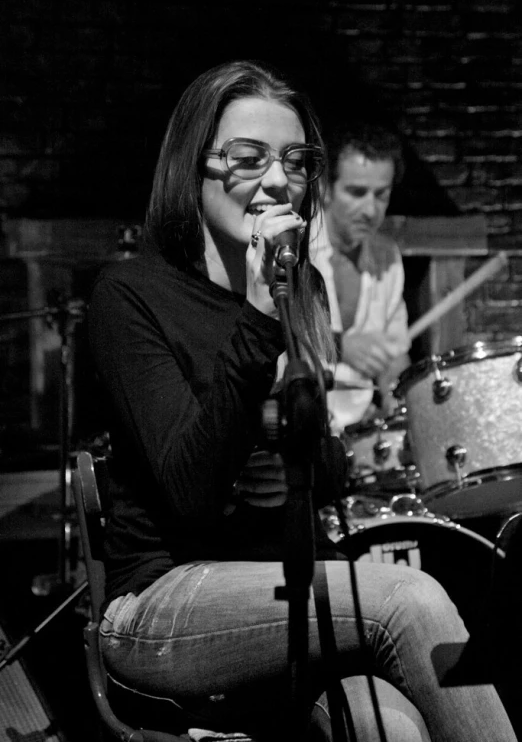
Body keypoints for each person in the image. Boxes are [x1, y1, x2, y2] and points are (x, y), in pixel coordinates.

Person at [88, 59, 516, 742]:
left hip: (280, 589)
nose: (278, 179)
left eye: (294, 159)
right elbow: (191, 492)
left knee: (393, 728)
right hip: (161, 600)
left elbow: (327, 481)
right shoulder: (130, 294)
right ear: (192, 167)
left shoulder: (298, 292)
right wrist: (261, 326)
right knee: (410, 597)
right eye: (248, 157)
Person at [311, 123, 410, 430]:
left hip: (361, 431)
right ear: (325, 188)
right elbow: (273, 338)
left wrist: (397, 397)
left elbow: (394, 357)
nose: (370, 209)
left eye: (381, 195)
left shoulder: (387, 256)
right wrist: (340, 346)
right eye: (356, 192)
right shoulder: (295, 248)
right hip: (298, 429)